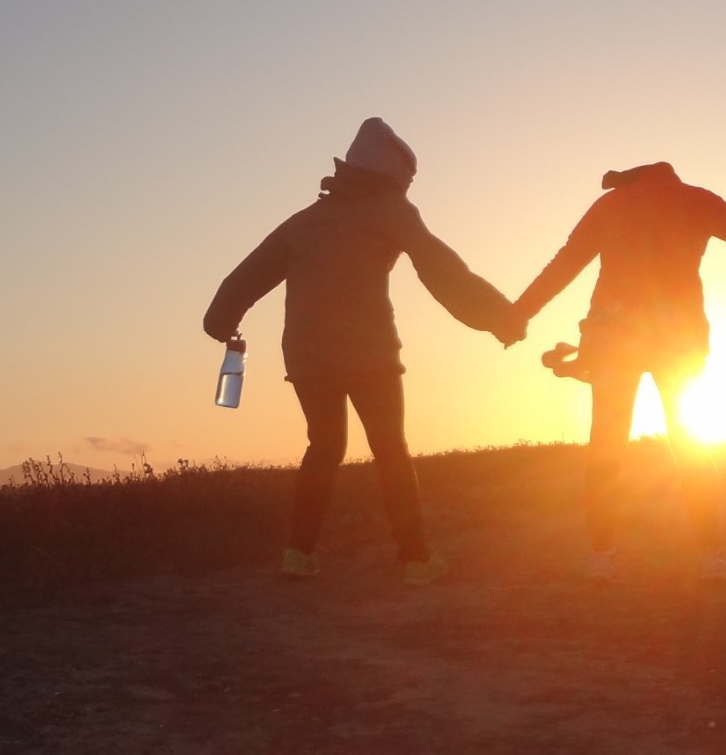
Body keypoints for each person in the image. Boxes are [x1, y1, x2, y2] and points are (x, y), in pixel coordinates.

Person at [203, 117, 524, 584]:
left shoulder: (305, 220)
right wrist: (499, 316)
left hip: (308, 357)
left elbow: (247, 276)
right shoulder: (393, 211)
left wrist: (221, 323)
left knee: (325, 447)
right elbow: (442, 269)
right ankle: (416, 559)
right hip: (369, 354)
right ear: (394, 175)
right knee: (391, 449)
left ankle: (298, 554)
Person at [512, 162, 726, 581]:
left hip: (613, 334)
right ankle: (710, 556)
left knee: (606, 443)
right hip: (678, 337)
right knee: (690, 442)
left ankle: (602, 555)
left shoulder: (611, 204)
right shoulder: (696, 199)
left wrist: (519, 313)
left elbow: (566, 263)